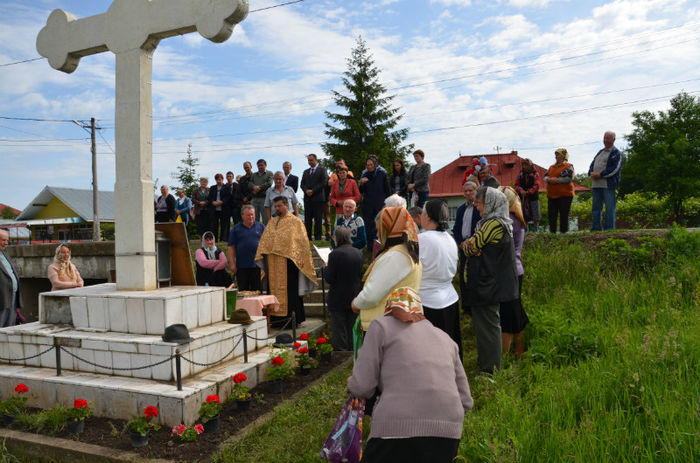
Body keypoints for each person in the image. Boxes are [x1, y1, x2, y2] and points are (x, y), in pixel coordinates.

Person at [348, 287, 473, 463]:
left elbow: (362, 387)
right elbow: (466, 401)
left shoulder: (380, 326)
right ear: (420, 312)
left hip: (394, 428)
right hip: (448, 432)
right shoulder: (446, 339)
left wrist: (352, 382)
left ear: (389, 309)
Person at [461, 186, 519, 374]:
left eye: (479, 203)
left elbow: (469, 247)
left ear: (490, 203)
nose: (477, 207)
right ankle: (487, 365)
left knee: (488, 328)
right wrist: (473, 245)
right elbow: (473, 245)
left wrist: (471, 246)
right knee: (486, 326)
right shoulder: (501, 223)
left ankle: (490, 370)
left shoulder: (493, 224)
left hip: (487, 285)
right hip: (490, 284)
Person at [351, 207, 422, 355]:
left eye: (380, 229)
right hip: (395, 325)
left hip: (383, 328)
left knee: (378, 374)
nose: (377, 234)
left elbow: (372, 294)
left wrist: (356, 303)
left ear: (390, 229)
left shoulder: (396, 256)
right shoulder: (405, 252)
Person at [255, 196, 318, 326]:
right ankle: (275, 320)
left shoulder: (295, 222)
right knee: (273, 290)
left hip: (289, 264)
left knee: (291, 293)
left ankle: (293, 320)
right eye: (275, 206)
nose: (277, 208)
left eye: (279, 206)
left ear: (286, 205)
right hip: (272, 263)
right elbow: (265, 241)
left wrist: (288, 252)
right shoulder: (272, 222)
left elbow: (301, 244)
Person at [419, 200, 462, 360]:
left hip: (428, 300)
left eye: (422, 213)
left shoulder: (423, 239)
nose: (420, 216)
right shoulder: (449, 238)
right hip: (449, 297)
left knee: (433, 351)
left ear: (428, 217)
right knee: (450, 346)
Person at [498, 186, 530, 358]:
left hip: (509, 272)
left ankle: (508, 354)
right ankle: (518, 351)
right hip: (516, 270)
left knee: (508, 315)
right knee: (515, 311)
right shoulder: (516, 218)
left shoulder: (508, 220)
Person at [323, 227, 363, 351]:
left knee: (338, 330)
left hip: (338, 297)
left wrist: (326, 268)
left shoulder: (334, 254)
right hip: (354, 295)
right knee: (352, 328)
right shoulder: (358, 253)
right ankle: (353, 353)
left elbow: (329, 278)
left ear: (337, 238)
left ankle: (339, 355)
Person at [452, 181, 481, 315]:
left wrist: (471, 243)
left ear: (476, 191)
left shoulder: (480, 208)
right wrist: (460, 243)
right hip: (463, 247)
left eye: (471, 190)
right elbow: (455, 228)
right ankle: (466, 308)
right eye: (466, 191)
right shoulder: (461, 209)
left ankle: (476, 307)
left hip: (475, 247)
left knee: (474, 277)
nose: (468, 193)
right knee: (463, 278)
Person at [588, 131, 622, 231]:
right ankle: (596, 228)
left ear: (613, 140)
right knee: (596, 208)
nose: (605, 140)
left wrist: (600, 174)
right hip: (596, 184)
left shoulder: (616, 153)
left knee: (609, 208)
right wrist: (590, 172)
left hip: (608, 185)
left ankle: (609, 229)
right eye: (604, 138)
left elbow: (615, 168)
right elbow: (592, 164)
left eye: (608, 138)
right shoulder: (600, 152)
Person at [227, 205, 265, 291]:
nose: (251, 217)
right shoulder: (235, 229)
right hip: (242, 267)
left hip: (258, 266)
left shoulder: (261, 227)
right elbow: (231, 247)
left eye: (252, 214)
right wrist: (232, 263)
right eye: (248, 215)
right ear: (242, 216)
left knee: (257, 292)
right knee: (243, 292)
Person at [359, 156, 390, 252]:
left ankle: (380, 247)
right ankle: (370, 248)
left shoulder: (382, 174)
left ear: (375, 164)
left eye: (371, 165)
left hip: (379, 204)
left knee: (379, 225)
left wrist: (386, 203)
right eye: (367, 165)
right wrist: (361, 183)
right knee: (368, 225)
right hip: (368, 204)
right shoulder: (365, 174)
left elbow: (387, 189)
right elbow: (361, 191)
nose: (369, 167)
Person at [544, 148, 575, 234]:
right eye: (556, 154)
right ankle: (552, 232)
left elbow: (569, 178)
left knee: (564, 214)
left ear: (563, 156)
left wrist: (556, 180)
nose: (556, 156)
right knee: (552, 215)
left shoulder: (568, 166)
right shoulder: (551, 167)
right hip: (552, 195)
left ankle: (563, 233)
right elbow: (545, 177)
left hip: (565, 195)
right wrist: (549, 179)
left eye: (558, 154)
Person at [300, 153, 328, 241]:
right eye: (308, 160)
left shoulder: (322, 170)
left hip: (318, 199)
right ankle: (307, 238)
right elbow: (302, 184)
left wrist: (313, 191)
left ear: (316, 160)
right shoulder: (306, 171)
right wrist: (306, 191)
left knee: (318, 219)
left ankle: (318, 238)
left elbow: (324, 183)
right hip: (308, 199)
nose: (309, 162)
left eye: (311, 160)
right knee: (307, 220)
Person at [0, 229, 23, 327]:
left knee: (10, 327)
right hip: (2, 299)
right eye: (3, 240)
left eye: (7, 240)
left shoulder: (5, 254)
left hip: (12, 297)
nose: (6, 243)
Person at [514, 158, 541, 231]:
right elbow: (516, 184)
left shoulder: (535, 174)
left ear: (530, 165)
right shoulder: (520, 174)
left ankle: (536, 230)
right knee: (524, 215)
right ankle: (526, 231)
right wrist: (521, 190)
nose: (524, 167)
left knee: (536, 215)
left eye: (526, 165)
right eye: (523, 165)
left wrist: (528, 192)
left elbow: (537, 185)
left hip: (533, 198)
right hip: (522, 198)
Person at [208, 173, 230, 241]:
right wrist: (212, 202)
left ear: (222, 179)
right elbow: (209, 197)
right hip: (214, 209)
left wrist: (222, 202)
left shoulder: (227, 187)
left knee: (224, 225)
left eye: (220, 179)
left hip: (224, 208)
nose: (218, 181)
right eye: (217, 179)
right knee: (214, 225)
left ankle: (223, 239)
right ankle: (215, 239)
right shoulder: (212, 188)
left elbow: (228, 197)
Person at [250, 159, 274, 225]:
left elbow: (269, 183)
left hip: (265, 199)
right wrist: (253, 187)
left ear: (265, 165)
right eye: (258, 165)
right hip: (254, 199)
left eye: (262, 165)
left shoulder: (270, 173)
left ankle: (266, 234)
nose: (260, 167)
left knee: (266, 218)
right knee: (254, 218)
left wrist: (259, 188)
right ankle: (256, 234)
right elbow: (250, 183)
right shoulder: (254, 174)